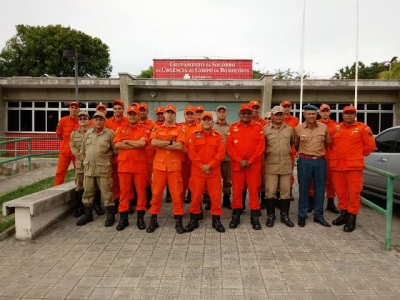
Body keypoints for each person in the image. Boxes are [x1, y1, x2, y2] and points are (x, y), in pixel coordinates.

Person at [330, 106, 376, 232]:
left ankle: (352, 218)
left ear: (355, 115)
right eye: (346, 113)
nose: (349, 115)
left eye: (352, 113)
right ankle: (343, 214)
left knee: (354, 193)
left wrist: (358, 155)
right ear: (342, 115)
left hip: (353, 167)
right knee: (340, 192)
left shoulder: (362, 128)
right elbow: (331, 145)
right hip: (337, 167)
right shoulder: (336, 128)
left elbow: (370, 146)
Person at [146, 104, 186, 234]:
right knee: (156, 194)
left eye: (172, 112)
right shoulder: (156, 128)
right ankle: (154, 220)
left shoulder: (181, 129)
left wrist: (162, 144)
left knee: (177, 194)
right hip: (159, 167)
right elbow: (153, 143)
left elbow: (179, 146)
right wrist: (170, 142)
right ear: (163, 114)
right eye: (167, 112)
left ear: (175, 115)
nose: (169, 114)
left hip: (174, 167)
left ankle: (179, 221)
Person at [185, 112, 226, 233]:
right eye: (204, 120)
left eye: (209, 120)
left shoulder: (218, 136)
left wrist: (210, 165)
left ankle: (216, 220)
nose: (207, 122)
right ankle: (194, 220)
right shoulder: (194, 135)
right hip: (198, 172)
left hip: (214, 173)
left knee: (216, 197)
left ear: (212, 122)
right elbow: (192, 153)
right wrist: (202, 166)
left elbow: (221, 154)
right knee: (196, 197)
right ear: (200, 121)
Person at [227, 104, 265, 230]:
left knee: (254, 191)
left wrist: (250, 160)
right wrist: (239, 160)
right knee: (237, 191)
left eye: (248, 113)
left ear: (252, 114)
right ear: (239, 114)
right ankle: (236, 215)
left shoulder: (258, 127)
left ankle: (254, 216)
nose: (246, 115)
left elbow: (261, 146)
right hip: (238, 166)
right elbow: (229, 147)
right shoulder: (233, 127)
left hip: (253, 166)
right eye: (243, 113)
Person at [77, 112, 116, 227]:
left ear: (104, 121)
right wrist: (86, 162)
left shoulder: (110, 134)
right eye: (96, 119)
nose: (98, 122)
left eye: (101, 119)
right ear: (92, 121)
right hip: (89, 169)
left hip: (103, 168)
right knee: (87, 192)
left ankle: (110, 215)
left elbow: (115, 152)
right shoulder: (88, 133)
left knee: (107, 192)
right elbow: (82, 151)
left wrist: (106, 161)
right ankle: (88, 214)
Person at [294, 104, 331, 227]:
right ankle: (302, 215)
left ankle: (318, 216)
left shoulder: (324, 128)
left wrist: (317, 153)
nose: (311, 116)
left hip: (320, 161)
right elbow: (295, 144)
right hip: (304, 161)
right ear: (304, 115)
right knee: (303, 188)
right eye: (309, 114)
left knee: (320, 189)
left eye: (313, 114)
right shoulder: (298, 129)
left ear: (317, 114)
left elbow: (327, 143)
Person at [113, 106, 149, 231]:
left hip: (139, 166)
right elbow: (117, 144)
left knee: (141, 192)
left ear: (139, 116)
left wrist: (127, 141)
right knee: (124, 193)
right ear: (127, 116)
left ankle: (140, 217)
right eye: (130, 114)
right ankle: (124, 218)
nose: (132, 116)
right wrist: (134, 143)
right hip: (124, 166)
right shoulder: (121, 128)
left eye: (135, 114)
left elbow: (142, 144)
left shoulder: (144, 129)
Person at [263, 106, 295, 227]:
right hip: (271, 165)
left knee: (285, 191)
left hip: (285, 165)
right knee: (270, 191)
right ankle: (271, 216)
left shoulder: (289, 129)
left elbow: (292, 142)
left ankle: (284, 215)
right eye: (276, 114)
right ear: (272, 116)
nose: (278, 116)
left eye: (280, 114)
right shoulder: (265, 130)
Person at [309, 104, 340, 214]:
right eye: (323, 111)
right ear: (320, 113)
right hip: (319, 155)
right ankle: (312, 202)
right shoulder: (316, 124)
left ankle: (330, 203)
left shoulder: (336, 125)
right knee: (313, 180)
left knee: (331, 181)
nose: (325, 113)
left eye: (327, 111)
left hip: (331, 157)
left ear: (330, 112)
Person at [105, 100, 129, 212]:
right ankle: (116, 200)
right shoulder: (108, 122)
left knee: (126, 181)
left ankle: (128, 202)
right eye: (115, 109)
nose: (117, 110)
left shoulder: (128, 121)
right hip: (113, 156)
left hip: (126, 155)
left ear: (123, 110)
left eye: (119, 108)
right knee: (114, 179)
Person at [69, 110, 91, 217]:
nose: (82, 120)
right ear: (78, 121)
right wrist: (81, 157)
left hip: (92, 162)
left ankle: (95, 206)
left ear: (88, 120)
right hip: (80, 162)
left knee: (93, 185)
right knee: (79, 185)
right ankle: (79, 207)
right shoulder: (74, 133)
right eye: (80, 119)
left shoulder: (93, 131)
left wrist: (89, 157)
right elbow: (72, 147)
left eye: (85, 118)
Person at [54, 101, 80, 186]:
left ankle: (79, 190)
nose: (74, 109)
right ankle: (56, 189)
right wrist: (66, 143)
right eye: (72, 107)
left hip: (77, 153)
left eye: (76, 108)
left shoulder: (82, 121)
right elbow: (59, 135)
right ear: (69, 109)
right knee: (60, 172)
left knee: (79, 172)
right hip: (65, 152)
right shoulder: (62, 121)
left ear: (78, 109)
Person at [180, 105, 202, 204]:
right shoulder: (179, 127)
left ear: (195, 115)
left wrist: (190, 151)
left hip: (195, 161)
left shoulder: (200, 127)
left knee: (195, 184)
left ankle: (196, 207)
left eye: (191, 114)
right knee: (181, 184)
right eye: (187, 114)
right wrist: (182, 148)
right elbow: (175, 140)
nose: (189, 116)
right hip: (182, 160)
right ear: (184, 115)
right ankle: (179, 208)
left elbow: (202, 143)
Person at [249, 100, 268, 209]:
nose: (255, 110)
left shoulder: (263, 123)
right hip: (250, 158)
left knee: (263, 179)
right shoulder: (245, 121)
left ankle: (263, 201)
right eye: (253, 108)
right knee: (253, 182)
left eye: (256, 108)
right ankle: (253, 202)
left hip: (261, 156)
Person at [213, 105, 232, 209]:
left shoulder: (231, 126)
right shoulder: (212, 126)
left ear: (226, 113)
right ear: (216, 113)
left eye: (223, 112)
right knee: (214, 180)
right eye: (219, 112)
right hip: (215, 158)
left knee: (227, 180)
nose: (221, 113)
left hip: (227, 158)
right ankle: (212, 200)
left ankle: (226, 199)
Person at [138, 103, 156, 209]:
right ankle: (138, 200)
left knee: (148, 180)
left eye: (144, 110)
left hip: (149, 156)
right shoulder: (133, 124)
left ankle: (149, 200)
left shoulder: (152, 124)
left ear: (147, 111)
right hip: (137, 156)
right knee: (138, 180)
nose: (142, 112)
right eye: (140, 110)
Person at [281, 100, 299, 190]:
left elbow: (296, 134)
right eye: (285, 106)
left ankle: (290, 189)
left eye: (288, 106)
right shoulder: (279, 119)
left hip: (291, 150)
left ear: (291, 108)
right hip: (280, 149)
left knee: (289, 170)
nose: (287, 108)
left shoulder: (295, 120)